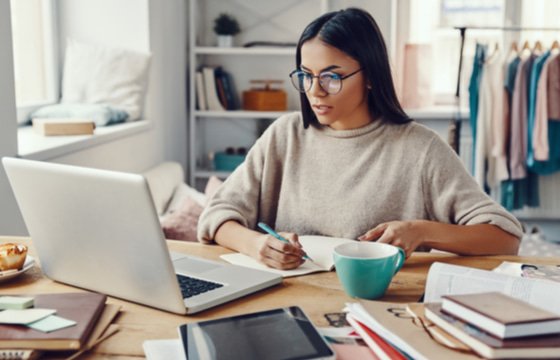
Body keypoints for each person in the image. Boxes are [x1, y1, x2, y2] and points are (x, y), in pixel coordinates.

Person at [197, 8, 522, 270]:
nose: (315, 91)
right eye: (306, 76)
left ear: (370, 76)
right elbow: (216, 215)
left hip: (384, 304)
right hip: (288, 299)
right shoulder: (285, 135)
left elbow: (504, 237)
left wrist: (421, 231)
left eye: (331, 77)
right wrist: (255, 245)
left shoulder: (421, 148)